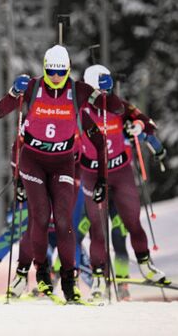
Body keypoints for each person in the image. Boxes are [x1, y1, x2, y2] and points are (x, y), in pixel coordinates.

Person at [0, 45, 123, 302]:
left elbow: (116, 109)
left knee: (64, 222)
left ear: (67, 70)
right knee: (39, 217)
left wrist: (108, 91)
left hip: (63, 161)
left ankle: (69, 282)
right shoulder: (32, 87)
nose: (55, 77)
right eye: (50, 71)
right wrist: (13, 92)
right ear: (44, 68)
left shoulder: (79, 91)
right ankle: (41, 272)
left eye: (60, 72)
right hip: (32, 160)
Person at [79, 64, 169, 299]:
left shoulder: (119, 105)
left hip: (120, 171)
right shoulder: (80, 109)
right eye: (100, 93)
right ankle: (99, 278)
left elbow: (147, 123)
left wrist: (136, 126)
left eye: (107, 92)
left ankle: (145, 264)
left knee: (132, 222)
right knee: (97, 230)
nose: (105, 98)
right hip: (92, 173)